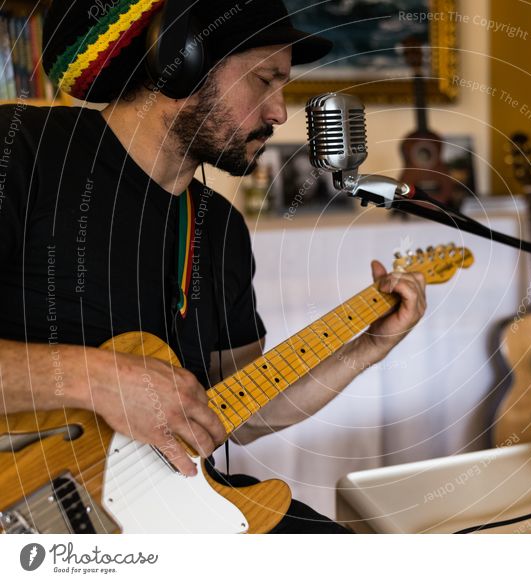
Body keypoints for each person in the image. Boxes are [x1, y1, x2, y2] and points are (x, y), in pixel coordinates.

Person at [0, 0, 427, 533]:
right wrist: (97, 379)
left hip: (173, 511)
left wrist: (369, 347)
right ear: (182, 62)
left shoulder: (219, 229)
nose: (279, 113)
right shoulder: (24, 151)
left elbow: (236, 410)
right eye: (265, 80)